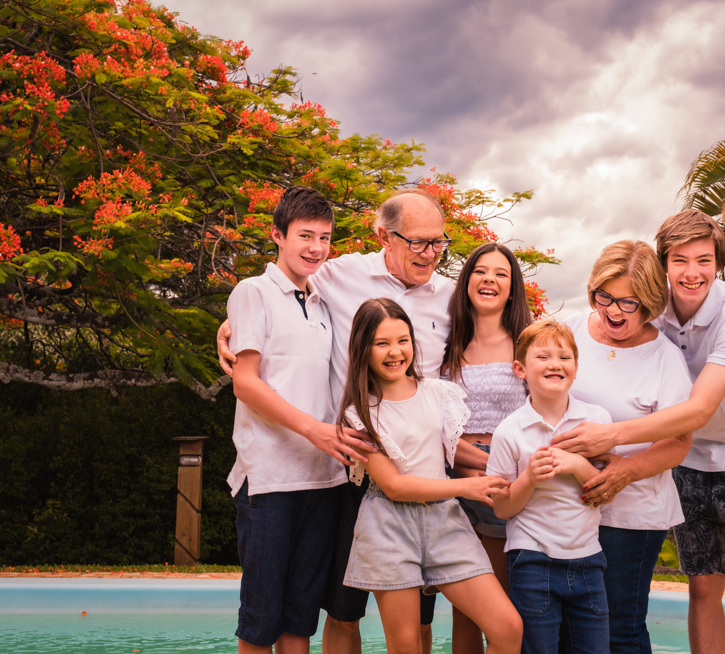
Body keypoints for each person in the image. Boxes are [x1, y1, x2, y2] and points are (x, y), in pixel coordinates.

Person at [218, 188, 456, 654]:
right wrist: (228, 328)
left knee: (302, 617)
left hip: (337, 475)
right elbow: (248, 369)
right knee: (286, 615)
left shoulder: (443, 295)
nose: (430, 253)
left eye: (438, 242)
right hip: (287, 475)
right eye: (417, 241)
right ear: (384, 236)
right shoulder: (326, 279)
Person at [556, 211, 725, 654]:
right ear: (663, 263)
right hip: (687, 461)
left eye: (704, 260)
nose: (692, 273)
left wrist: (609, 437)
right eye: (680, 260)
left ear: (719, 263)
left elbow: (698, 409)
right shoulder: (647, 304)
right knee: (703, 587)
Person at [340, 298, 523, 654]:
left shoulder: (437, 393)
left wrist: (505, 468)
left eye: (402, 340)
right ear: (363, 348)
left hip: (445, 522)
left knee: (507, 627)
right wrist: (468, 487)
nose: (395, 352)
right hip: (387, 527)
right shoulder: (359, 412)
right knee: (406, 645)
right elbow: (393, 485)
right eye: (382, 343)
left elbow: (452, 449)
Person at [225, 186, 349, 654]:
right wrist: (315, 430)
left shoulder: (322, 301)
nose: (316, 247)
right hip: (270, 482)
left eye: (324, 237)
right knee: (261, 622)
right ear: (278, 235)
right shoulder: (252, 291)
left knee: (300, 622)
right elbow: (246, 383)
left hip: (323, 481)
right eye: (305, 235)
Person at [561, 241, 694, 654]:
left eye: (629, 303)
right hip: (564, 506)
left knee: (620, 628)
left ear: (652, 303)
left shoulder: (665, 358)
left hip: (632, 515)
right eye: (606, 297)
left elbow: (678, 443)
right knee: (565, 627)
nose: (614, 311)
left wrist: (624, 472)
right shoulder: (568, 329)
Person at [486, 319, 612, 654]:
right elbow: (502, 508)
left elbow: (607, 493)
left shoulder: (596, 421)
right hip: (532, 560)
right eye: (542, 357)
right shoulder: (509, 432)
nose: (555, 364)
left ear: (576, 366)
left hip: (589, 559)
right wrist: (528, 478)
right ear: (520, 368)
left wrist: (578, 465)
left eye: (564, 357)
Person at [441, 243, 533, 654]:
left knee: (505, 605)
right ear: (467, 281)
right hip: (456, 486)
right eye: (480, 271)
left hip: (508, 489)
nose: (489, 280)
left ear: (512, 288)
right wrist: (470, 469)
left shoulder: (527, 343)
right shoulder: (444, 342)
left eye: (501, 273)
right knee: (467, 609)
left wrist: (498, 471)